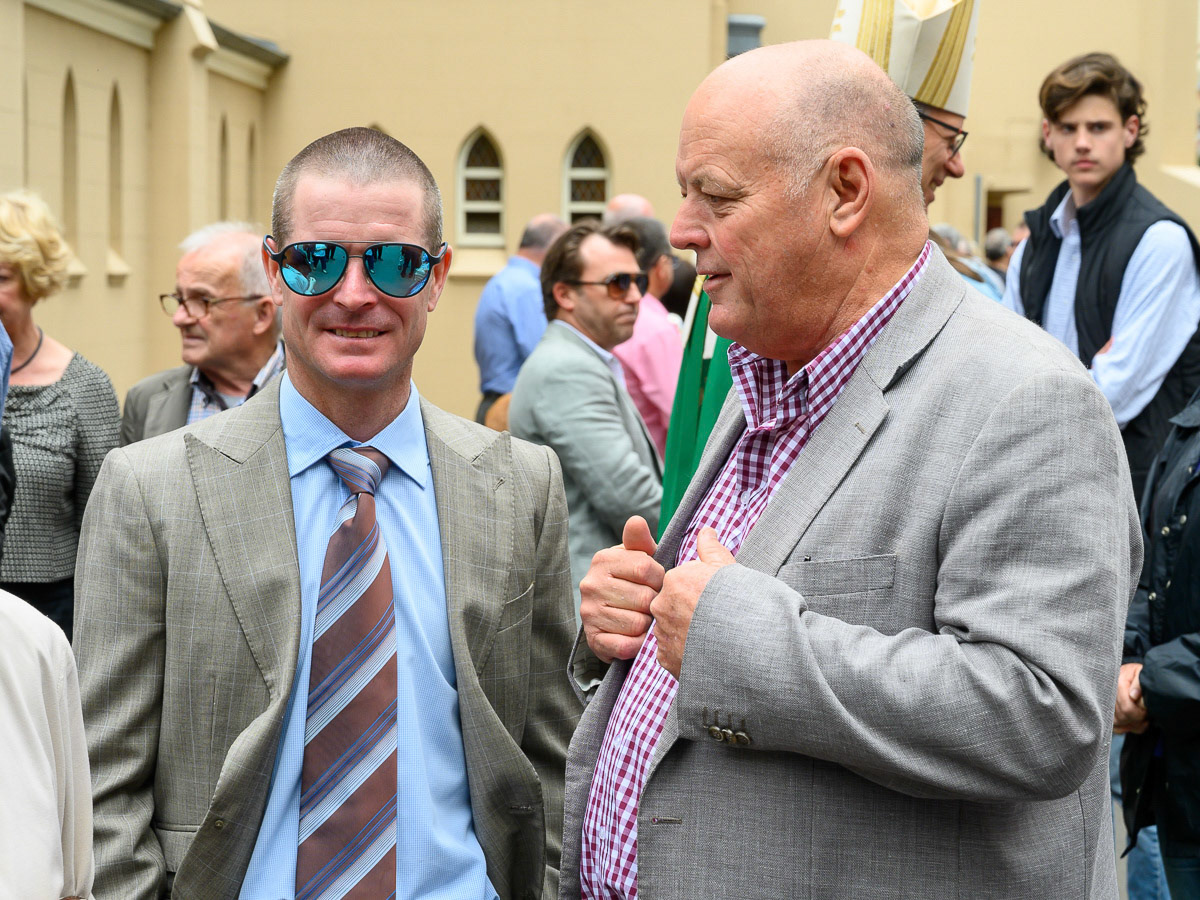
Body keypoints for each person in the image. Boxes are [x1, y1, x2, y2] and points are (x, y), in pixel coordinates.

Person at [561, 40, 1140, 900]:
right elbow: (713, 617)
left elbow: (1041, 713)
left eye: (717, 196)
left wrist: (732, 637)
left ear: (844, 191)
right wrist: (636, 619)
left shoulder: (1027, 400)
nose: (681, 231)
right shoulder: (768, 370)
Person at [75, 127, 581, 899]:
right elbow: (103, 783)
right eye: (316, 260)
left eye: (393, 262)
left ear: (437, 277)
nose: (353, 293)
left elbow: (550, 757)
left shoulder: (520, 486)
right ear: (275, 274)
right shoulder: (150, 490)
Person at [1002, 52, 1200, 503]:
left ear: (1130, 130)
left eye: (1098, 127)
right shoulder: (1034, 245)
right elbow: (1002, 371)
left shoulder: (1160, 241)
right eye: (1068, 128)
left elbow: (1112, 396)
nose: (1082, 143)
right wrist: (1080, 376)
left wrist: (1031, 396)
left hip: (1132, 491)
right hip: (1040, 483)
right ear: (1048, 134)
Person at [509, 221, 662, 617]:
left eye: (639, 282)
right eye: (617, 283)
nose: (635, 297)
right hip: (592, 608)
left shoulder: (580, 359)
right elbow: (631, 500)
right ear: (565, 294)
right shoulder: (566, 369)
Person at [0, 190, 119, 641]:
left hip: (47, 614)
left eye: (1, 277)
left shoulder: (83, 386)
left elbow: (105, 528)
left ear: (34, 281)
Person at [1116, 383, 1200, 899]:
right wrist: (1127, 663)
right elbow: (1150, 567)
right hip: (1179, 783)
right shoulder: (1190, 421)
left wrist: (1152, 683)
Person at [120, 223, 285, 446]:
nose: (179, 319)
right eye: (179, 299)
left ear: (262, 315)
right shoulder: (145, 400)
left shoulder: (317, 395)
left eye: (202, 301)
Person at [472, 213, 567, 429]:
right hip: (511, 412)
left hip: (499, 406)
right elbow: (545, 358)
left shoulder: (504, 280)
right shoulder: (527, 289)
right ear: (554, 249)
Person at [611, 217, 684, 457]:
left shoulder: (611, 312)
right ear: (662, 264)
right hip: (652, 464)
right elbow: (678, 414)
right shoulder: (656, 328)